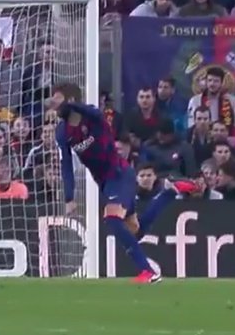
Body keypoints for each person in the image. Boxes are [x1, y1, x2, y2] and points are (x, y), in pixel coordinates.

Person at [51, 82, 197, 285]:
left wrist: (71, 105)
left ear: (71, 101)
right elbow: (66, 164)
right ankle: (169, 192)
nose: (53, 105)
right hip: (104, 181)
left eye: (57, 100)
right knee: (134, 233)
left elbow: (92, 112)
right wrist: (69, 197)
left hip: (119, 174)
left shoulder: (92, 117)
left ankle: (148, 272)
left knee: (112, 218)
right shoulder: (62, 132)